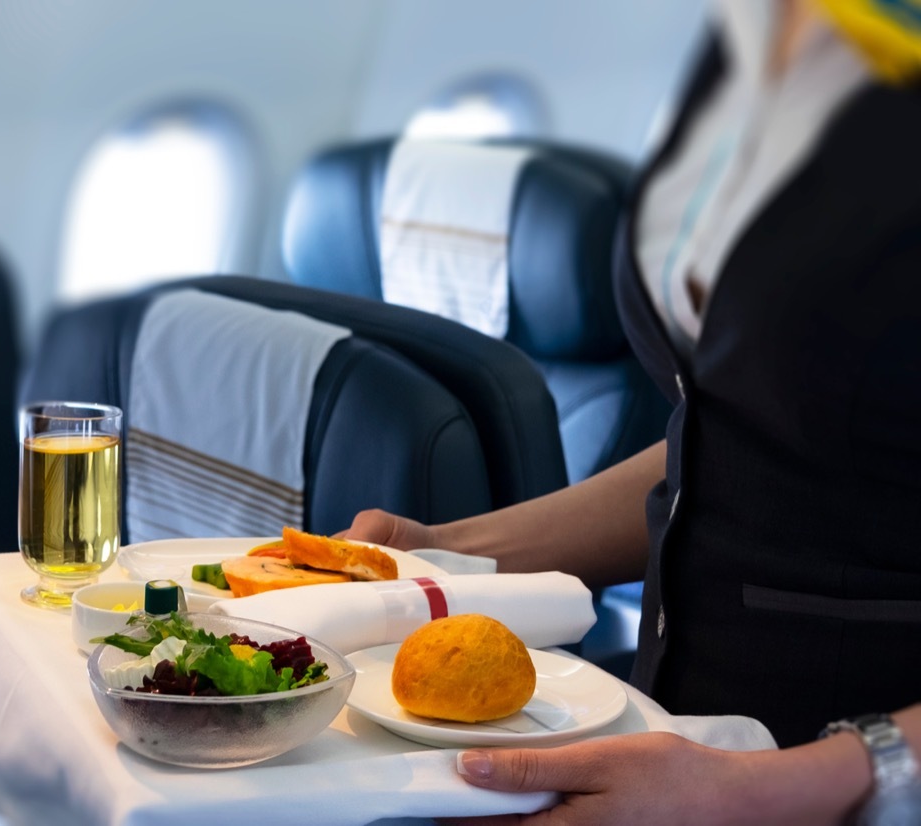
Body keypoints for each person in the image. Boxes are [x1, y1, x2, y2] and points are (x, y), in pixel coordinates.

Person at [344, 0, 921, 822]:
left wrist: (764, 791)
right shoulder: (758, 39)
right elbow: (746, 440)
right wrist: (444, 558)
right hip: (677, 742)